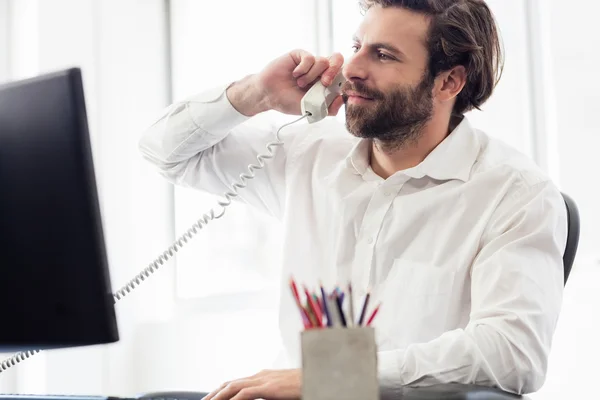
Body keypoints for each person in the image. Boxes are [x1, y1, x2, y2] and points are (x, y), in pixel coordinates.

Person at [139, 0, 567, 398]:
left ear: (449, 81)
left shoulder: (514, 194)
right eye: (357, 46)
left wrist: (329, 377)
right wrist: (258, 93)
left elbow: (513, 353)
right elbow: (164, 151)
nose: (351, 69)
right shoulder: (308, 153)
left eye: (384, 55)